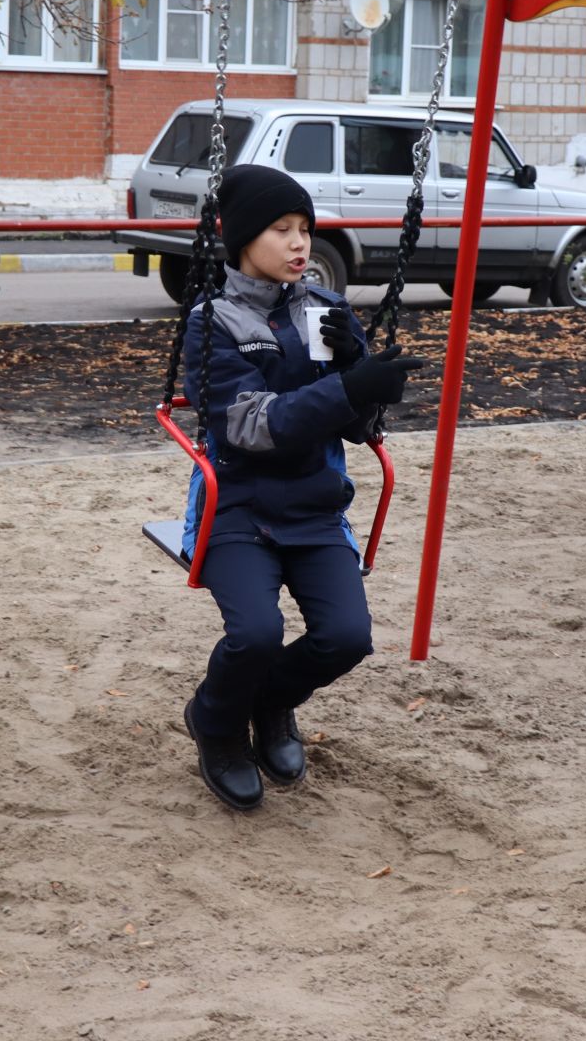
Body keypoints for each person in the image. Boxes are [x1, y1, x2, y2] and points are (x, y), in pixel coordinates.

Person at [178, 164, 427, 810]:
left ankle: (272, 701)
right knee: (256, 634)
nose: (299, 244)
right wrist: (348, 386)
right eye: (281, 229)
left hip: (315, 505)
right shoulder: (213, 322)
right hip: (238, 507)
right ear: (240, 240)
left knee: (347, 638)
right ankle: (215, 721)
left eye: (306, 230)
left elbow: (358, 431)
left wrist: (360, 373)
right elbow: (249, 428)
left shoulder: (327, 309)